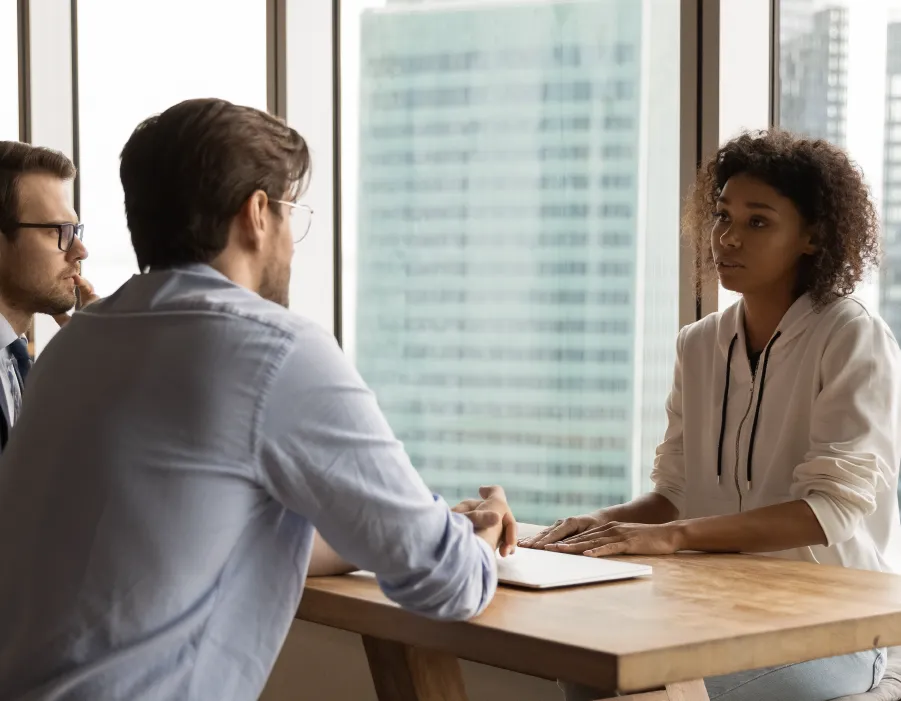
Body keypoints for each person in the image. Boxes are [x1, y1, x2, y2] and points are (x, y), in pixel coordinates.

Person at [0, 99, 516, 701]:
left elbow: (194, 523)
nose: (293, 246)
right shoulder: (276, 350)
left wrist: (397, 524)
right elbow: (444, 581)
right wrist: (478, 536)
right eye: (291, 213)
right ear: (257, 213)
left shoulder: (72, 347)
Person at [519, 130, 901, 701]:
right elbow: (675, 492)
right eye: (722, 215)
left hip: (835, 629)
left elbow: (830, 512)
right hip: (716, 612)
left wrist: (670, 538)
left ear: (813, 236)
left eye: (758, 222)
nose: (727, 237)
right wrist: (594, 527)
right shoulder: (698, 345)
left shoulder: (850, 335)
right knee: (592, 674)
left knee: (629, 688)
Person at [0, 141, 98, 449]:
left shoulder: (14, 360)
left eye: (75, 230)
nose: (80, 250)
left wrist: (87, 361)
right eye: (58, 231)